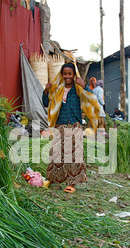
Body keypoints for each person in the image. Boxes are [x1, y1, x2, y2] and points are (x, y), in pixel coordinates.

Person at [42, 62, 100, 193]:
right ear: (61, 75)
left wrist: (84, 86)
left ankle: (72, 183)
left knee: (74, 154)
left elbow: (92, 99)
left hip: (74, 123)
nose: (67, 76)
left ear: (74, 75)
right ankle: (54, 179)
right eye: (65, 74)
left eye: (70, 73)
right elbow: (46, 103)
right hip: (60, 124)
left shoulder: (78, 88)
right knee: (56, 153)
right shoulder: (57, 88)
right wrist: (46, 90)